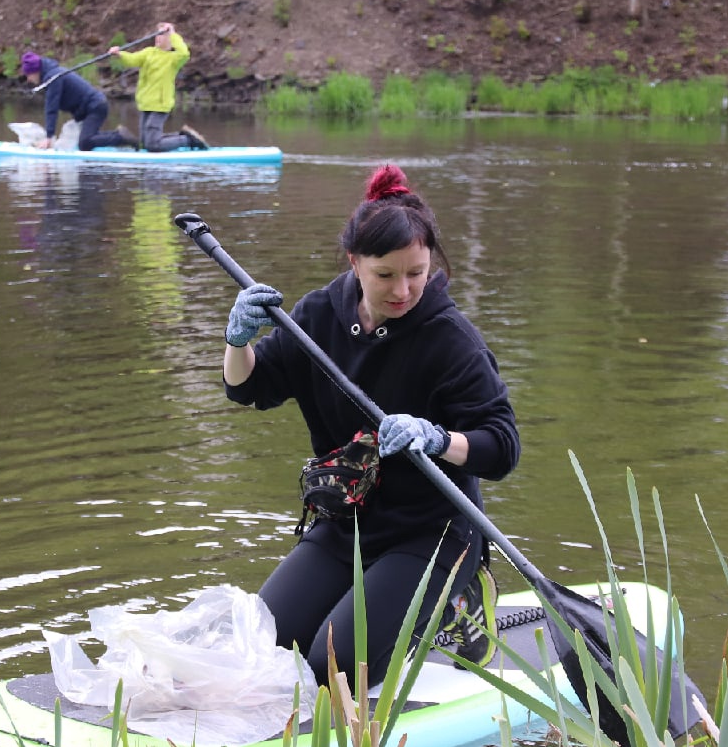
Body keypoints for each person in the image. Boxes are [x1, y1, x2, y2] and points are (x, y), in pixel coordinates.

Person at [222, 164, 519, 690]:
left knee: (329, 668)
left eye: (417, 273)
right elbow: (250, 388)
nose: (403, 290)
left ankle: (457, 603)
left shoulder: (451, 341)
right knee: (259, 646)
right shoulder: (316, 317)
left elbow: (502, 448)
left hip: (432, 536)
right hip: (345, 523)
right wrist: (238, 340)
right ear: (355, 262)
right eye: (385, 275)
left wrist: (435, 437)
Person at [107, 22, 210, 151]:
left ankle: (187, 140)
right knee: (145, 143)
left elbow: (184, 53)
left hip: (160, 105)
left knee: (152, 145)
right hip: (145, 103)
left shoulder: (174, 58)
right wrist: (119, 54)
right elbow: (132, 59)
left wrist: (172, 33)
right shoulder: (148, 53)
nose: (158, 37)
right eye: (157, 34)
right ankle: (181, 136)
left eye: (162, 35)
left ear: (170, 39)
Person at [20, 50, 138, 152]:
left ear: (35, 71)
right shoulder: (52, 75)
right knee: (85, 138)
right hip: (90, 108)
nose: (28, 79)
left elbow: (51, 108)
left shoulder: (53, 78)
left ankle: (120, 137)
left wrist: (49, 137)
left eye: (28, 75)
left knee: (84, 143)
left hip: (95, 107)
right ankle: (118, 134)